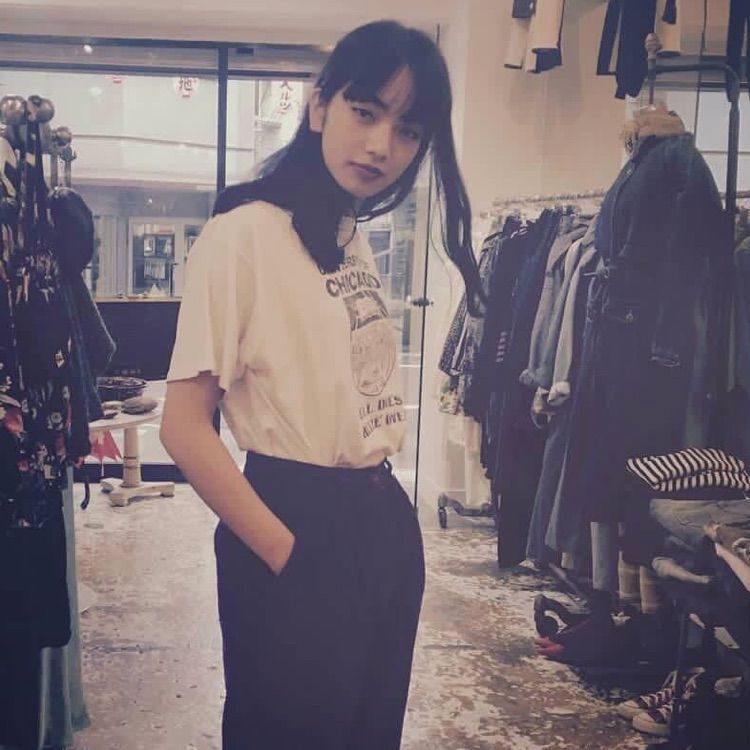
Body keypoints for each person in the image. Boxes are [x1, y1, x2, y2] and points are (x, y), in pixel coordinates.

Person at [161, 19, 483, 750]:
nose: (381, 146)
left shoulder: (345, 231)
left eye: (408, 131)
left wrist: (382, 539)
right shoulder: (243, 234)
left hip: (380, 519)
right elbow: (183, 426)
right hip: (294, 518)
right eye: (365, 112)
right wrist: (288, 554)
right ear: (318, 106)